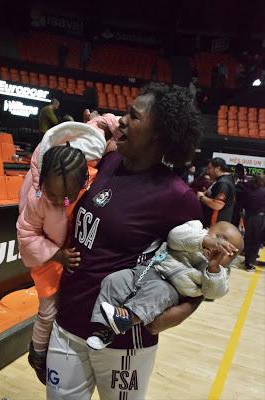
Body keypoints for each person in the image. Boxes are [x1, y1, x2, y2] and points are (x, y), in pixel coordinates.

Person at [46, 83, 204, 400]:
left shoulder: (177, 196)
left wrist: (182, 312)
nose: (120, 120)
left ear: (157, 134)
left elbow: (200, 273)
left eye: (133, 116)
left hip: (122, 342)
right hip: (68, 323)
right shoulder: (109, 163)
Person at [17, 117, 119, 384]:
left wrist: (115, 127)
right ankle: (37, 354)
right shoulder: (38, 198)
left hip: (63, 248)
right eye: (53, 196)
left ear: (84, 181)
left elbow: (100, 123)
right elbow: (26, 235)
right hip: (46, 253)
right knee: (48, 308)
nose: (60, 202)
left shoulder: (90, 168)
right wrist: (56, 254)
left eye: (67, 197)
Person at [86, 220, 243, 350]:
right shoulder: (194, 229)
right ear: (208, 229)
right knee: (114, 280)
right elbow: (174, 237)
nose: (220, 248)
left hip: (169, 288)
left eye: (229, 252)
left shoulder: (217, 272)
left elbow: (213, 292)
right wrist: (203, 241)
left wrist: (214, 267)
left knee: (158, 291)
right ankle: (103, 329)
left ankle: (127, 318)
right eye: (219, 238)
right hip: (147, 270)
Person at [197, 157, 235, 228]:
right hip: (219, 224)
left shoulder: (223, 183)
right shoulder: (226, 180)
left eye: (209, 168)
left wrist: (201, 197)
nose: (207, 171)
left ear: (218, 168)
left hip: (214, 225)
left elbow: (217, 204)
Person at [238, 174, 265, 271]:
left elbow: (242, 205)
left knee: (248, 239)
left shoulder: (248, 191)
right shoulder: (263, 191)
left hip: (248, 217)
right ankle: (249, 263)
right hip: (260, 218)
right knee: (256, 241)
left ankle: (247, 260)